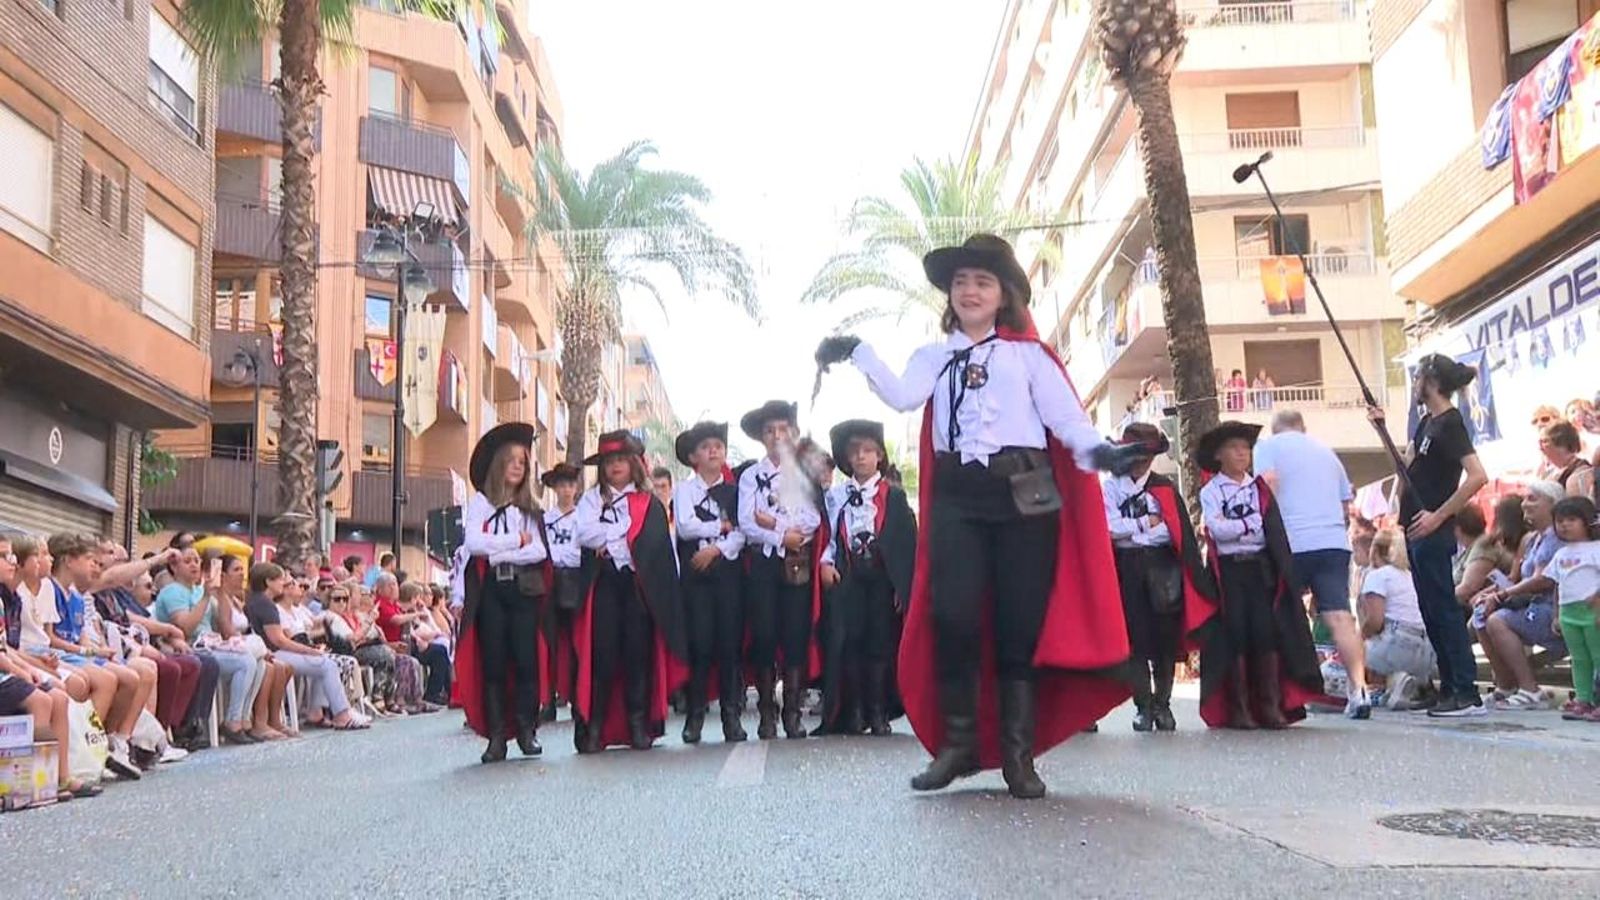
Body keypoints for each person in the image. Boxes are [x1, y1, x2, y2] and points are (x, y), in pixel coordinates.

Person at [813, 233, 1139, 799]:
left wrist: (1105, 455)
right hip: (958, 499)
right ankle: (958, 746)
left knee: (1019, 625)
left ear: (1003, 294)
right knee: (955, 617)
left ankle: (1018, 757)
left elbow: (1068, 424)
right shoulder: (933, 356)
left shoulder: (1030, 357)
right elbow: (901, 397)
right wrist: (858, 350)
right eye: (961, 282)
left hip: (1023, 497)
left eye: (982, 282)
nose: (969, 291)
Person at [1372, 353, 1489, 717]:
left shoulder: (1450, 423)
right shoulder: (1426, 423)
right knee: (1430, 609)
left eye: (1418, 376)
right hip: (1414, 529)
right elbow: (1406, 468)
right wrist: (1381, 430)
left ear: (1431, 381)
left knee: (1443, 609)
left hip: (1431, 528)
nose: (1414, 384)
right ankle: (1450, 685)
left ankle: (1466, 691)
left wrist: (1440, 516)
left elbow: (1477, 475)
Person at [1195, 421, 1323, 729]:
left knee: (1266, 633)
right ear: (1219, 455)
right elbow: (1217, 530)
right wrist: (1247, 525)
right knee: (1236, 635)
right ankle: (1238, 707)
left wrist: (1237, 527)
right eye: (1234, 449)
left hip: (1260, 569)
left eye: (1245, 448)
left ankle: (1269, 705)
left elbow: (1268, 531)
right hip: (1229, 572)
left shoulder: (1258, 489)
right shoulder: (1211, 491)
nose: (1242, 454)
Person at [1100, 423, 1219, 732]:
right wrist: (1146, 524)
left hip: (1164, 568)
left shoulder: (1164, 488)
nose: (1142, 462)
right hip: (1126, 569)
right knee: (1134, 640)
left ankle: (1163, 705)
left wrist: (1134, 528)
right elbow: (1109, 528)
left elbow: (1171, 529)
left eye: (1147, 456)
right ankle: (1143, 706)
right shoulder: (1110, 488)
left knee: (1165, 640)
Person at [1252, 409, 1370, 719]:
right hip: (1331, 542)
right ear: (1302, 427)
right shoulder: (1328, 454)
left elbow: (1269, 481)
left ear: (1276, 428)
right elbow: (1346, 504)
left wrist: (1266, 522)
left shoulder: (1266, 446)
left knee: (1285, 616)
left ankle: (1287, 691)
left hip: (1292, 541)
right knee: (1340, 616)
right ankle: (1358, 690)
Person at [573, 430, 687, 753]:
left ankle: (639, 724)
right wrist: (617, 536)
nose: (615, 466)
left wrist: (608, 537)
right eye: (609, 461)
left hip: (639, 589)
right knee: (603, 656)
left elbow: (653, 547)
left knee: (638, 655)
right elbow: (583, 533)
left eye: (621, 459)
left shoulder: (648, 502)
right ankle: (594, 727)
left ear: (634, 463)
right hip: (605, 585)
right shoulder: (592, 499)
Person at [454, 422, 550, 762]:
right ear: (499, 464)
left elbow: (539, 551)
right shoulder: (481, 503)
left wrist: (498, 552)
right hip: (492, 593)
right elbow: (473, 544)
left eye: (522, 462)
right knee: (493, 662)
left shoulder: (531, 510)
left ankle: (526, 730)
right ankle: (497, 737)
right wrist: (512, 542)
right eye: (511, 460)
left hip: (523, 591)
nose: (516, 466)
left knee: (525, 661)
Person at [814, 419, 916, 737]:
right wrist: (825, 563)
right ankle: (854, 711)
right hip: (849, 577)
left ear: (880, 457)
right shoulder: (837, 496)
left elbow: (907, 544)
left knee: (881, 644)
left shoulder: (894, 497)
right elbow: (827, 534)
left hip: (882, 579)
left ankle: (878, 710)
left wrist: (902, 584)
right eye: (855, 452)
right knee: (850, 642)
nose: (861, 457)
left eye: (868, 451)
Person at [736, 400, 825, 740]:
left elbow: (812, 518)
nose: (776, 436)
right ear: (762, 437)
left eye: (782, 429)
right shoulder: (750, 476)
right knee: (764, 634)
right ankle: (766, 715)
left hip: (795, 563)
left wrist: (775, 522)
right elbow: (747, 521)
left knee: (795, 634)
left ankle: (792, 713)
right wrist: (779, 532)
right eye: (769, 430)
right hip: (763, 562)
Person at [672, 421, 749, 744]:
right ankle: (696, 715)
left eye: (718, 445)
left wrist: (719, 546)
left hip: (727, 575)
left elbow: (743, 531)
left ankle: (732, 716)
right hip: (696, 577)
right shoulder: (684, 490)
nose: (714, 450)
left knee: (729, 646)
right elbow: (687, 527)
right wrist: (722, 525)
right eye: (706, 447)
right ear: (693, 457)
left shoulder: (735, 492)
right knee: (700, 645)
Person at [1471, 481, 1567, 710]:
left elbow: (1543, 580)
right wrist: (1488, 594)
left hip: (1551, 606)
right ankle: (1506, 685)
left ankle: (1530, 689)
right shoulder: (1532, 539)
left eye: (1533, 499)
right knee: (1481, 615)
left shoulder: (1556, 537)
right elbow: (1516, 578)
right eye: (1525, 499)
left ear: (1552, 504)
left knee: (1497, 620)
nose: (1524, 504)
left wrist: (1503, 595)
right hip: (1531, 603)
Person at [154, 548, 264, 744]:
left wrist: (221, 593)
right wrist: (206, 597)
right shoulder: (172, 592)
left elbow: (224, 624)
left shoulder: (199, 590)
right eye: (187, 561)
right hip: (189, 645)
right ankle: (231, 722)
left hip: (211, 642)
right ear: (174, 567)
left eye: (197, 560)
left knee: (259, 662)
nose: (194, 565)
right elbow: (185, 627)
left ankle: (242, 719)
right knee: (245, 662)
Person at [245, 562, 368, 731]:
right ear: (268, 582)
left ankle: (318, 712)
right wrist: (310, 651)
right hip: (276, 654)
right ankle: (341, 715)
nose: (283, 583)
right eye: (280, 580)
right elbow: (278, 640)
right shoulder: (267, 605)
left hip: (271, 652)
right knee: (326, 664)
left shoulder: (256, 601)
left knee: (323, 664)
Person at [1357, 529, 1436, 709]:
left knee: (1356, 646)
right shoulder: (1412, 576)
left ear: (1375, 550)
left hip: (1398, 645)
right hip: (1426, 652)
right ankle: (1405, 686)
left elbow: (1375, 622)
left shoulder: (1377, 576)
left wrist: (1357, 638)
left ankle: (1389, 683)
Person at [1543, 497, 1600, 720]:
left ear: (1587, 521)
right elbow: (1557, 584)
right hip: (1569, 613)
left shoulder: (1596, 549)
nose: (1565, 524)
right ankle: (1583, 699)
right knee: (1579, 658)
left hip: (1593, 612)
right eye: (1560, 520)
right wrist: (1556, 614)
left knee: (1598, 656)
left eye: (1572, 519)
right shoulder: (1561, 554)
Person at [540, 462, 584, 723]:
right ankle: (548, 699)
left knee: (575, 640)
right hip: (549, 582)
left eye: (570, 484)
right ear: (554, 488)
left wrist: (560, 555)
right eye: (562, 485)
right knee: (550, 642)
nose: (566, 490)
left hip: (574, 581)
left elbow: (580, 553)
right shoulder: (545, 519)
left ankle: (577, 696)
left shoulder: (582, 518)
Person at [1454, 499, 1519, 604]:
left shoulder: (1483, 547)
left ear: (1457, 529)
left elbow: (1468, 588)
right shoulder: (1473, 547)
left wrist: (1439, 598)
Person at [1540, 422, 1594, 499]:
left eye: (1545, 441)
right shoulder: (1549, 472)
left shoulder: (1581, 473)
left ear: (1562, 445)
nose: (1540, 447)